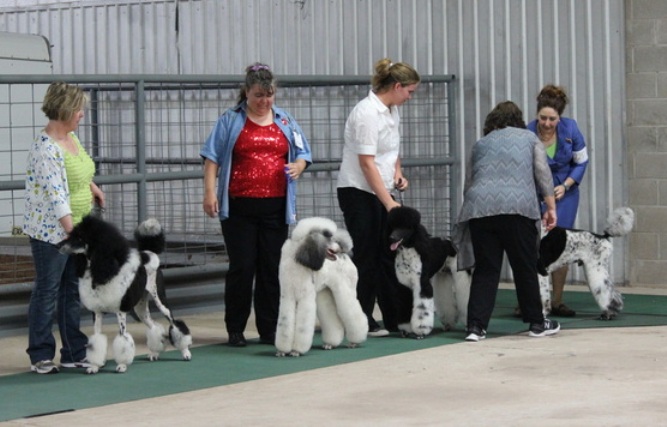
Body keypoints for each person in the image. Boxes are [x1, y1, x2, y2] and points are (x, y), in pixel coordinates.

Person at [200, 63, 312, 347]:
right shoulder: (230, 120)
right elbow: (212, 158)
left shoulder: (285, 121)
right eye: (258, 95)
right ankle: (235, 328)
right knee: (242, 267)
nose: (264, 101)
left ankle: (269, 328)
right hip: (239, 208)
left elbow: (303, 153)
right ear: (246, 92)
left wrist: (299, 165)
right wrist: (210, 193)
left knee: (271, 268)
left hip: (276, 207)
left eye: (269, 95)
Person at [454, 101, 560, 342]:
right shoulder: (530, 138)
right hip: (517, 208)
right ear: (519, 120)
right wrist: (550, 207)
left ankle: (475, 327)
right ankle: (536, 323)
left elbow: (469, 183)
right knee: (524, 266)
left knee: (486, 269)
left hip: (480, 209)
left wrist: (475, 207)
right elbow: (543, 174)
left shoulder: (481, 143)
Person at [23, 82, 105, 373]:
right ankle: (40, 354)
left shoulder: (71, 138)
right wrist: (74, 234)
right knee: (48, 290)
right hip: (52, 234)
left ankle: (73, 351)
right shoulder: (46, 149)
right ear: (66, 109)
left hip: (76, 227)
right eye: (79, 109)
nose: (82, 114)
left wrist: (92, 186)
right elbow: (57, 195)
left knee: (72, 290)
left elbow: (78, 169)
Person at [336, 58, 420, 337]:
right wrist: (389, 203)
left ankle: (394, 316)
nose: (410, 97)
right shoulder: (367, 113)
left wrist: (398, 173)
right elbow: (367, 163)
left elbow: (392, 150)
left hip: (381, 190)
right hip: (358, 192)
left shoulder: (391, 110)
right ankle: (361, 318)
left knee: (387, 256)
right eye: (409, 91)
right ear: (397, 86)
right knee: (367, 256)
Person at [526, 84, 589, 317]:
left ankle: (557, 300)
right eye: (543, 118)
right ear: (537, 114)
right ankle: (530, 300)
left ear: (560, 117)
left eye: (553, 119)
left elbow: (581, 162)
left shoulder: (571, 129)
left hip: (566, 195)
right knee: (532, 247)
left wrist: (567, 185)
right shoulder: (527, 132)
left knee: (559, 246)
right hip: (535, 195)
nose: (547, 123)